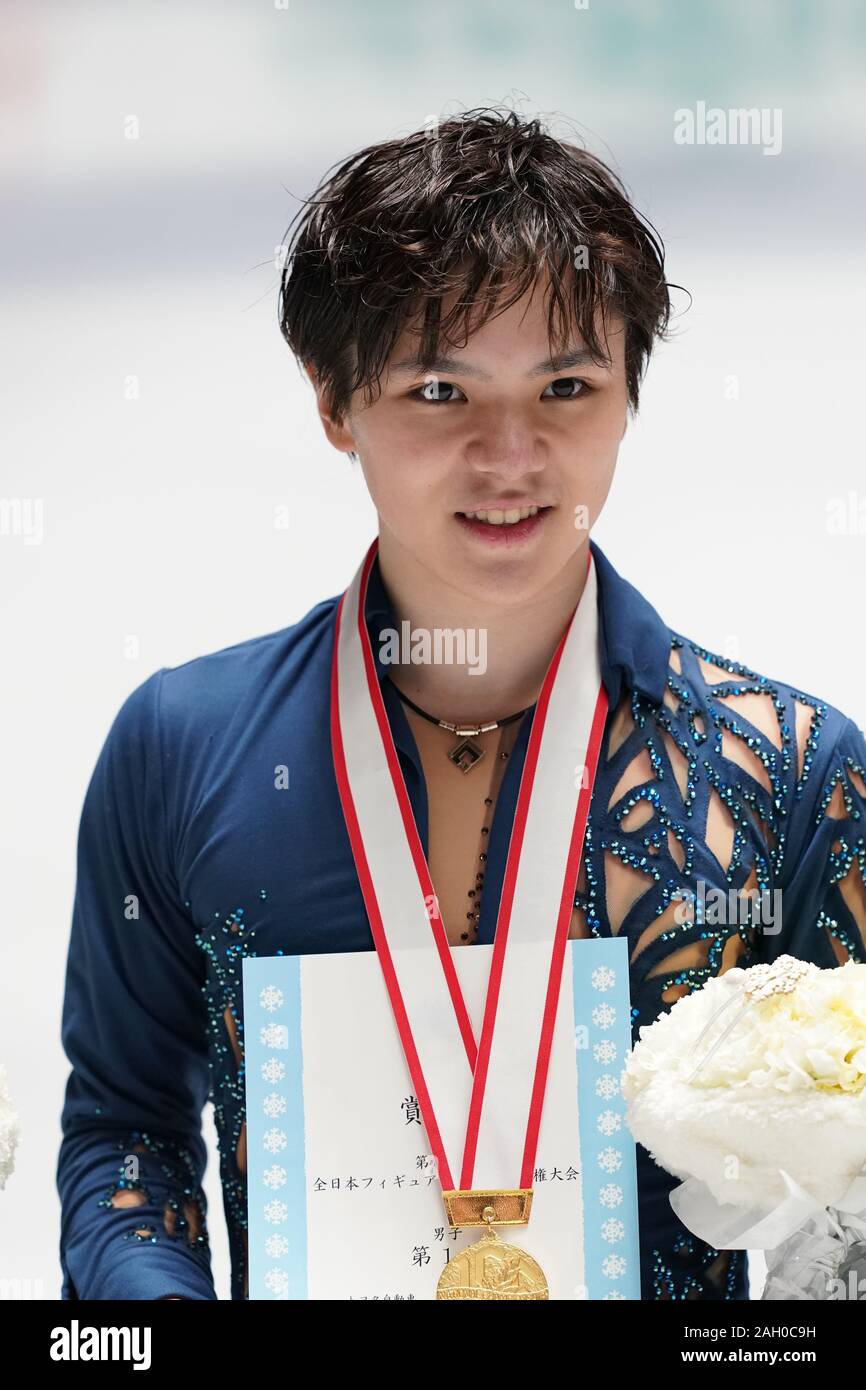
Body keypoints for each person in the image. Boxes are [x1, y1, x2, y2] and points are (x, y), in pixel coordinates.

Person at [57, 107, 866, 1301]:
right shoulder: (181, 747)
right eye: (440, 390)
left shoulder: (788, 769)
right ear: (334, 401)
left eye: (566, 386)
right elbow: (127, 1130)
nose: (510, 453)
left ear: (627, 398)